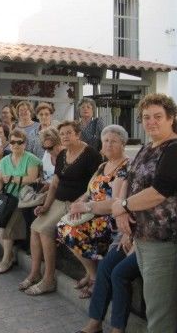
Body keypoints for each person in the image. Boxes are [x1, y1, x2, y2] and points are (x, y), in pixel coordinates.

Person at [111, 93, 177, 333]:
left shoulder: (176, 150)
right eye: (146, 117)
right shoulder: (147, 147)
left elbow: (159, 193)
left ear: (171, 119)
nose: (151, 122)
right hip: (143, 238)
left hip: (165, 241)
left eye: (158, 116)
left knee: (160, 313)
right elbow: (130, 179)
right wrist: (122, 211)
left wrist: (124, 205)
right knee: (154, 307)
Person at [21, 121, 102, 295]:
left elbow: (95, 185)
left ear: (78, 134)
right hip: (57, 201)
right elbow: (55, 182)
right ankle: (35, 273)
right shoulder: (64, 153)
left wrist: (82, 204)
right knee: (34, 228)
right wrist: (45, 205)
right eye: (62, 134)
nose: (65, 136)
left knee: (44, 231)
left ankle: (49, 279)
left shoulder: (91, 155)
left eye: (68, 133)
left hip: (73, 204)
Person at [57, 124, 129, 299]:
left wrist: (86, 207)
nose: (109, 144)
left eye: (114, 141)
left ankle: (95, 277)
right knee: (61, 225)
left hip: (111, 218)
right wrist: (78, 202)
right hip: (92, 211)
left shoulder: (125, 167)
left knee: (72, 231)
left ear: (123, 144)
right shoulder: (103, 165)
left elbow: (116, 203)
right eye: (106, 141)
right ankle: (91, 273)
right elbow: (89, 192)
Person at [0, 129, 41, 274]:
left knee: (6, 227)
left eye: (19, 142)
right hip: (9, 199)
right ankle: (10, 255)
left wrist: (14, 179)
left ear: (25, 144)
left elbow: (32, 178)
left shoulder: (31, 159)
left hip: (24, 200)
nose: (15, 145)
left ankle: (6, 259)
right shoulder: (4, 161)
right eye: (13, 142)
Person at [75, 235, 140, 333]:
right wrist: (128, 233)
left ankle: (117, 329)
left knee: (119, 274)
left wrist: (137, 240)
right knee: (105, 265)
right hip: (132, 235)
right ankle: (95, 323)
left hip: (150, 239)